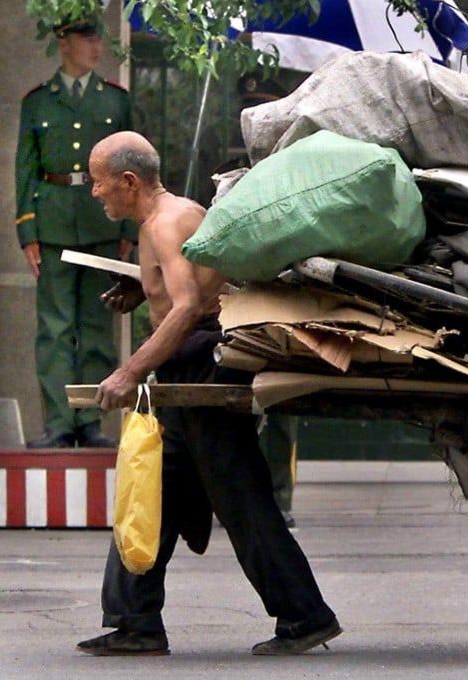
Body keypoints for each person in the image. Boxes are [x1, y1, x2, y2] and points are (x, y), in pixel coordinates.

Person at [76, 130, 341, 656]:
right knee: (154, 491)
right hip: (186, 371)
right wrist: (141, 285)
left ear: (129, 181)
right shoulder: (171, 216)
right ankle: (135, 621)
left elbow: (189, 307)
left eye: (100, 183)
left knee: (241, 497)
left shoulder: (165, 223)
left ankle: (305, 615)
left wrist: (130, 371)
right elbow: (195, 280)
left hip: (203, 369)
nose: (95, 192)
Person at [14, 15, 134, 449]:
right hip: (54, 223)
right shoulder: (39, 102)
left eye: (98, 38)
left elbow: (131, 169)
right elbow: (25, 171)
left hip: (103, 221)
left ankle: (91, 422)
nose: (96, 47)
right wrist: (27, 231)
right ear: (63, 42)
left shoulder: (115, 101)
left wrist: (128, 228)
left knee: (98, 327)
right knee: (54, 329)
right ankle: (59, 424)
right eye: (86, 39)